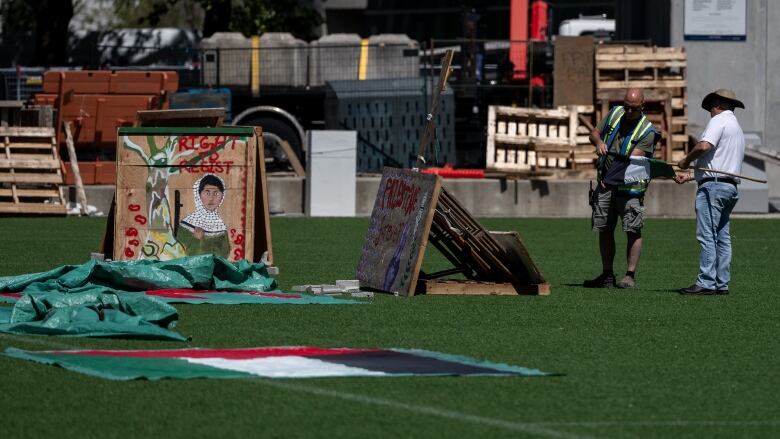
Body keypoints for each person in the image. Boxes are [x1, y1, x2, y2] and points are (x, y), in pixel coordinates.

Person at [584, 88, 659, 289]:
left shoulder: (648, 132)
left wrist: (608, 179)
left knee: (632, 230)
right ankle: (607, 275)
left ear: (642, 107)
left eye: (633, 109)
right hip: (605, 184)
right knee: (604, 229)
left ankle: (629, 276)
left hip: (630, 187)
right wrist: (599, 141)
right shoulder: (615, 113)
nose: (628, 112)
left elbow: (627, 162)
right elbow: (594, 133)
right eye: (626, 107)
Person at [673, 89, 745, 295]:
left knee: (707, 235)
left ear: (718, 105)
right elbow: (718, 162)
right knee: (722, 236)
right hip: (729, 187)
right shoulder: (736, 127)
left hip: (713, 187)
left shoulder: (718, 120)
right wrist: (690, 176)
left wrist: (686, 161)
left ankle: (706, 282)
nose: (710, 112)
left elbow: (704, 147)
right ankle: (722, 283)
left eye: (711, 107)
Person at [177, 173, 231, 257]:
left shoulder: (220, 227)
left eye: (216, 193)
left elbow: (225, 253)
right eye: (207, 193)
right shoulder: (187, 224)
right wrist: (195, 239)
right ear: (199, 195)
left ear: (222, 196)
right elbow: (179, 251)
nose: (211, 198)